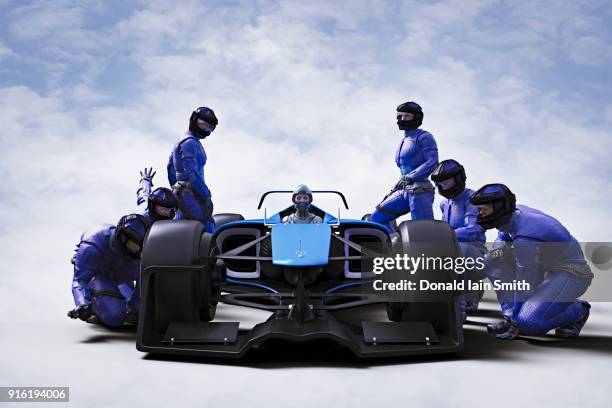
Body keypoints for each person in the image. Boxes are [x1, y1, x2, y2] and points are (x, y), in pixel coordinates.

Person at [470, 184, 593, 340]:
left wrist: (518, 322)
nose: (480, 213)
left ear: (499, 207)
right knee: (492, 259)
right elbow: (502, 237)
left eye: (484, 208)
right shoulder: (515, 213)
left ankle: (578, 310)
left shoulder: (525, 237)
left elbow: (525, 282)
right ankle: (510, 317)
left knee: (529, 323)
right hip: (543, 267)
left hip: (571, 273)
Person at [68, 214, 151, 327]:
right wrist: (83, 304)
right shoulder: (92, 245)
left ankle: (132, 308)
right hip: (97, 275)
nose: (139, 251)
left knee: (139, 308)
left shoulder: (131, 247)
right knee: (115, 316)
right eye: (135, 245)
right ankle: (95, 303)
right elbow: (80, 279)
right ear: (123, 238)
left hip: (118, 273)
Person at [431, 159, 486, 320]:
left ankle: (458, 306)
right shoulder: (444, 204)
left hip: (475, 253)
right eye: (440, 183)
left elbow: (473, 230)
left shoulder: (472, 199)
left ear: (458, 178)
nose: (444, 186)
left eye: (446, 181)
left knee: (459, 248)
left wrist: (444, 235)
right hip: (451, 250)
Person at [371, 101, 438, 232]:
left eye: (407, 116)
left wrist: (411, 177)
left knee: (424, 230)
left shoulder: (424, 137)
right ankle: (392, 245)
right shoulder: (404, 141)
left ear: (416, 117)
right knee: (377, 218)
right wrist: (399, 184)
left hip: (420, 190)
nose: (402, 119)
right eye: (400, 116)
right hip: (403, 190)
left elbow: (432, 162)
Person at [167, 107, 218, 233]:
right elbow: (192, 173)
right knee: (208, 229)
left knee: (181, 230)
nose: (205, 129)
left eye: (209, 127)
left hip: (183, 195)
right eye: (203, 124)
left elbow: (170, 168)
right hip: (194, 195)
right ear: (194, 120)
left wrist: (176, 188)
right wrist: (205, 194)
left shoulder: (181, 140)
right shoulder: (190, 142)